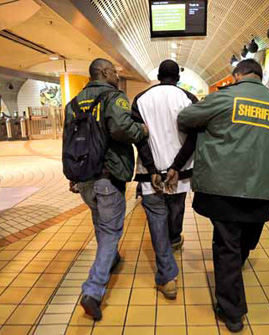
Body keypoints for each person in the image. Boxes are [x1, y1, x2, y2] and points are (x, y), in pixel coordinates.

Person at [177, 59, 269, 333]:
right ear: (260, 77)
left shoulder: (225, 97)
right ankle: (231, 291)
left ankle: (232, 312)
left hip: (225, 188)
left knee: (228, 246)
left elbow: (185, 118)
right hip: (262, 189)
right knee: (245, 240)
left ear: (237, 75)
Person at [63, 58, 148, 321]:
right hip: (107, 176)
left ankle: (110, 259)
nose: (116, 74)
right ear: (104, 72)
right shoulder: (114, 97)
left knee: (101, 223)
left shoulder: (74, 103)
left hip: (84, 178)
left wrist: (72, 174)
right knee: (111, 232)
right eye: (114, 70)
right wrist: (141, 130)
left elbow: (68, 139)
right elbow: (121, 128)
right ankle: (92, 291)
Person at [131, 59, 198, 299]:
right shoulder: (189, 99)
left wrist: (151, 168)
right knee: (176, 209)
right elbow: (193, 138)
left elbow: (139, 137)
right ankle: (174, 240)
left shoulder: (140, 99)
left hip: (151, 175)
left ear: (158, 76)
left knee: (157, 220)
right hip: (179, 175)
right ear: (177, 77)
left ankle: (168, 277)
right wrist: (176, 167)